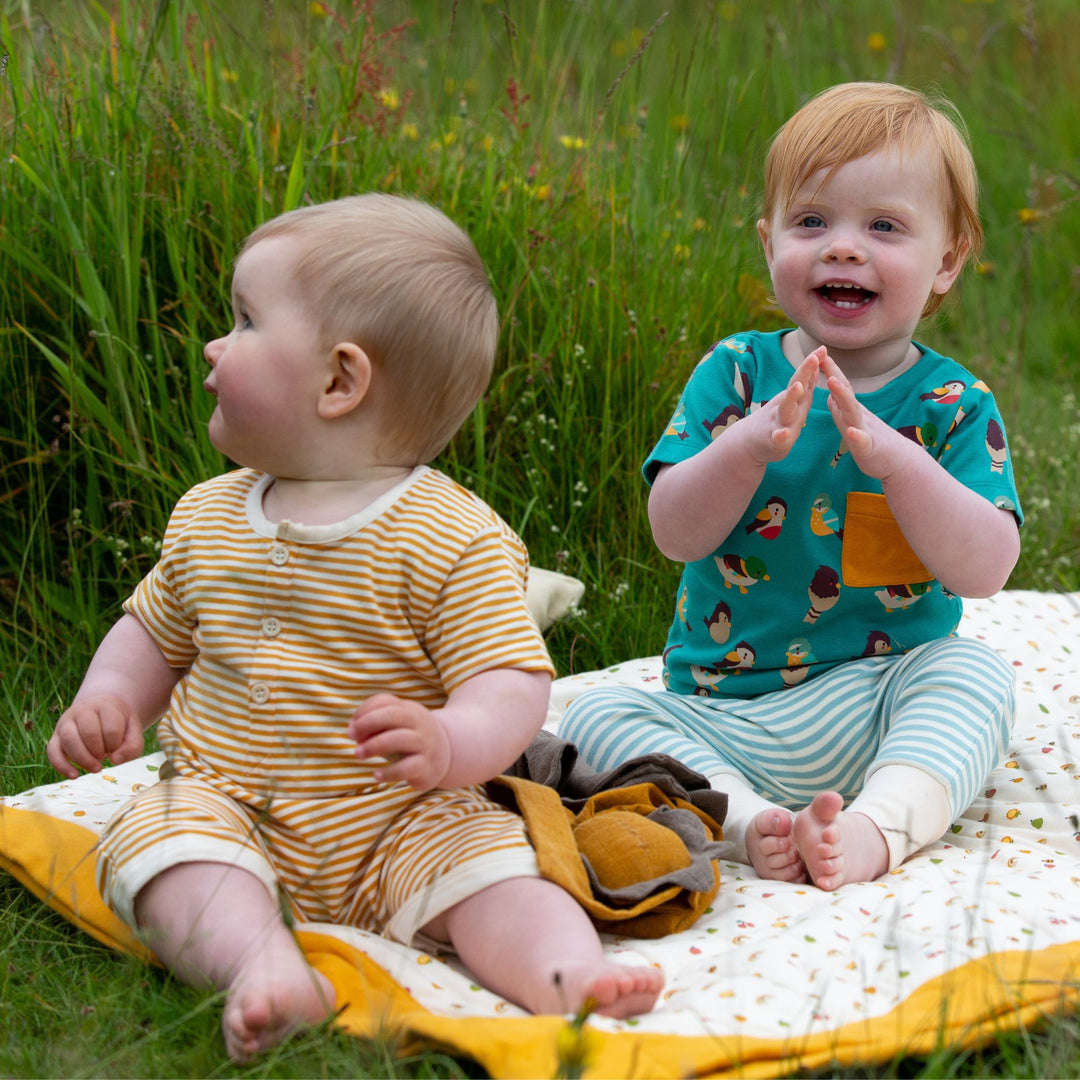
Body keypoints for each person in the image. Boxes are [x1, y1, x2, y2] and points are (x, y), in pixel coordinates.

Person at [46, 193, 663, 1062]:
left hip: (398, 814)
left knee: (492, 870)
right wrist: (110, 696)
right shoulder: (207, 516)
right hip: (230, 802)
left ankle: (567, 974)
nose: (215, 346)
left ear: (340, 381)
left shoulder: (451, 537)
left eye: (245, 321)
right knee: (160, 840)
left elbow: (512, 681)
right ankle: (262, 966)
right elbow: (154, 631)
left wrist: (451, 740)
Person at [560, 82, 1021, 892]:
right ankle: (748, 822)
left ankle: (879, 827)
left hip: (883, 697)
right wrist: (744, 450)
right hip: (723, 712)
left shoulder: (952, 404)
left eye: (884, 226)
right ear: (769, 241)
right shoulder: (736, 374)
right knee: (596, 716)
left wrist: (900, 465)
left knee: (976, 675)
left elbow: (985, 570)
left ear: (946, 261)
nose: (843, 247)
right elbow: (675, 533)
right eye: (813, 222)